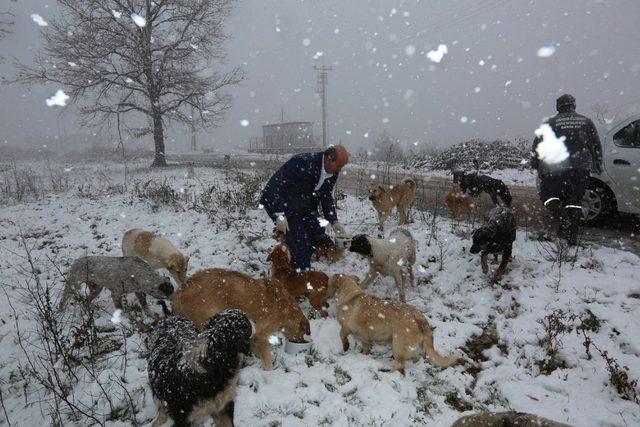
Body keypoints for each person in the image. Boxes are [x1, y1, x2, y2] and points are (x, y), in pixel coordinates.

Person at [260, 145, 350, 271]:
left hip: (303, 205)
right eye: (339, 166)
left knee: (317, 231)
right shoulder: (302, 162)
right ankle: (299, 273)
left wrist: (333, 220)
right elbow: (274, 186)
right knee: (299, 242)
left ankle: (293, 256)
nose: (339, 170)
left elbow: (326, 194)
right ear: (329, 158)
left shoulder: (332, 172)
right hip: (282, 204)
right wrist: (279, 214)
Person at [530, 94, 602, 245]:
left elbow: (537, 145)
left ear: (558, 106)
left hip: (556, 167)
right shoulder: (586, 121)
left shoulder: (550, 122)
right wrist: (598, 163)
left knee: (548, 197)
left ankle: (564, 221)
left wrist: (535, 163)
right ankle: (571, 238)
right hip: (581, 167)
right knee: (574, 201)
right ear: (573, 105)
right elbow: (596, 145)